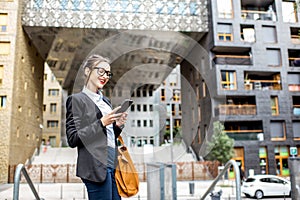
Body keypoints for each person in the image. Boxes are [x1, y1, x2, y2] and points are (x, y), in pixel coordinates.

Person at [66, 54, 127, 200]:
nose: (105, 76)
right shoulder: (76, 100)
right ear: (87, 71)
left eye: (108, 73)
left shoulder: (105, 101)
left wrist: (117, 126)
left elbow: (106, 135)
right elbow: (72, 138)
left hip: (112, 166)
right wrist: (101, 123)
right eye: (101, 71)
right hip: (95, 168)